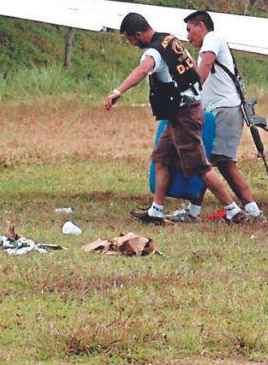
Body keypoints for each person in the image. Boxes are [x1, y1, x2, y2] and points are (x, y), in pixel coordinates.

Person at [104, 12, 248, 224]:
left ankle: (234, 211)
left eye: (130, 39)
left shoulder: (154, 51)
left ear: (137, 34)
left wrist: (118, 91)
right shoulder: (169, 39)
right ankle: (156, 211)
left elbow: (144, 70)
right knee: (160, 158)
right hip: (180, 111)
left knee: (200, 167)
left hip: (184, 114)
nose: (131, 43)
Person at [164, 11, 264, 223]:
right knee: (218, 161)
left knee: (209, 161)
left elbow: (207, 64)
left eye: (190, 30)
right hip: (219, 110)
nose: (188, 36)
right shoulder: (207, 46)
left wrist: (192, 89)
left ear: (201, 26)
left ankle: (199, 211)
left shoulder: (212, 39)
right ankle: (250, 210)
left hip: (224, 109)